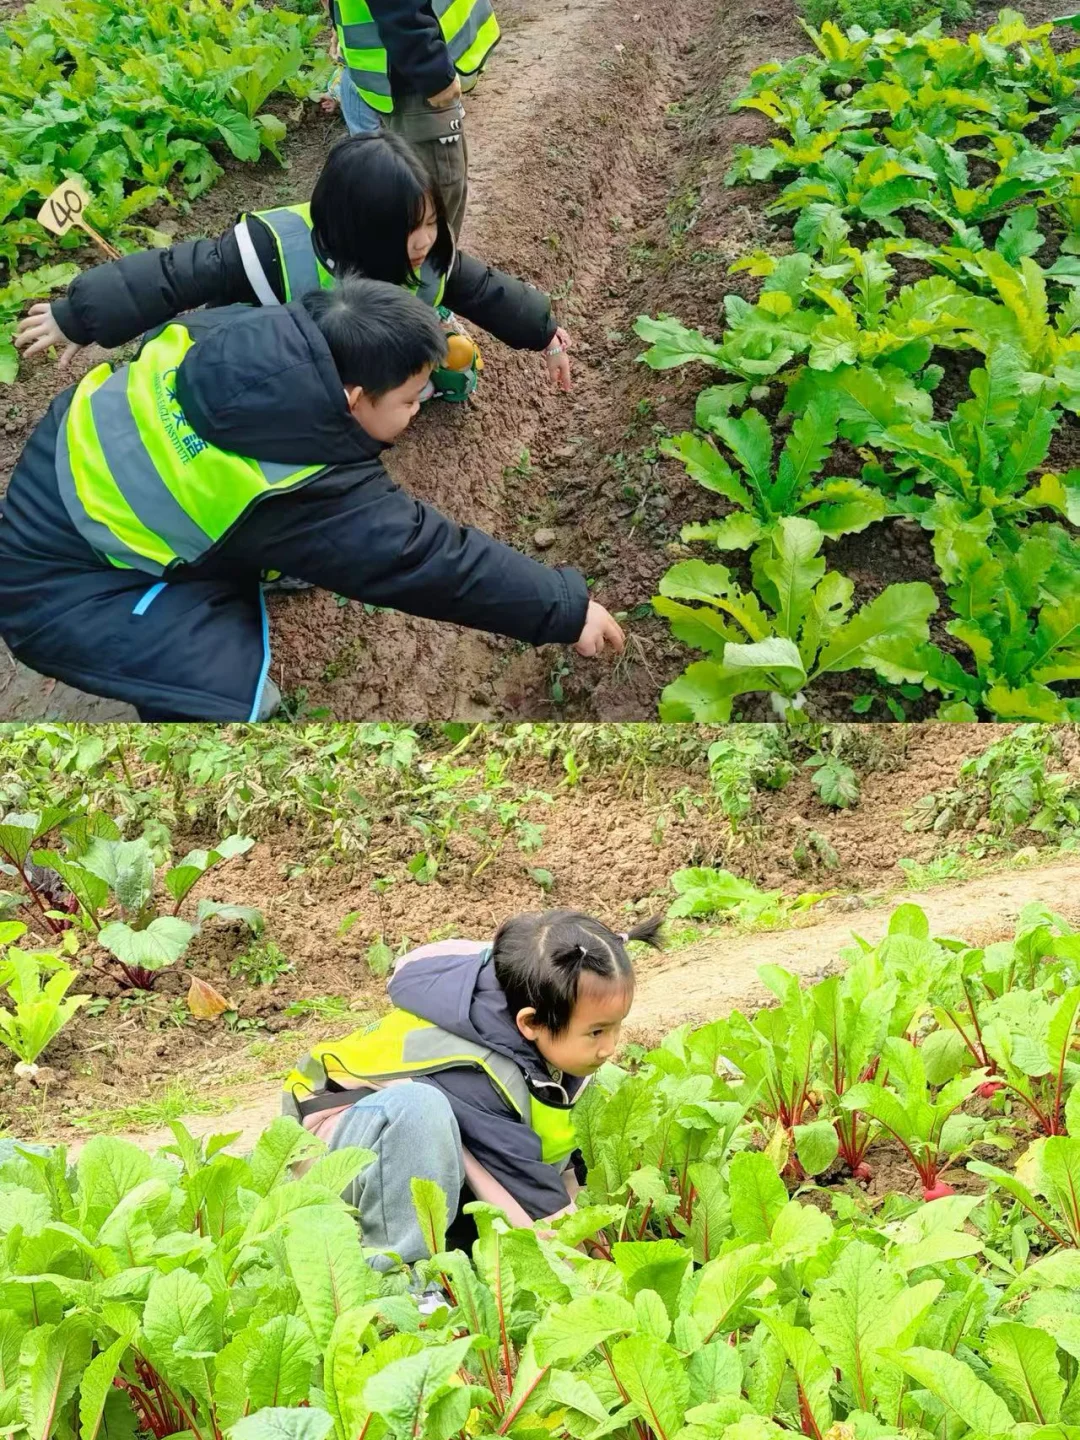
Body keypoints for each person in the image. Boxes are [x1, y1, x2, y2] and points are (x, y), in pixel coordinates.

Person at [0, 277, 623, 721]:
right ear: (353, 398)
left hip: (64, 466)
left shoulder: (246, 330)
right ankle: (205, 718)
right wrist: (564, 610)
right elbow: (427, 558)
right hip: (54, 589)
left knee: (256, 532)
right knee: (231, 689)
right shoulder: (295, 486)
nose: (414, 412)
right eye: (410, 401)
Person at [14, 132, 571, 401]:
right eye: (409, 228)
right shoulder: (274, 251)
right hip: (276, 361)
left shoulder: (426, 256)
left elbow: (481, 288)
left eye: (431, 220)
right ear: (362, 229)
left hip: (352, 354)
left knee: (451, 364)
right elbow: (174, 273)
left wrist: (542, 330)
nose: (426, 240)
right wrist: (78, 316)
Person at [282, 909, 664, 1267]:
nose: (611, 1047)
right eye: (597, 1032)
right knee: (422, 1110)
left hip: (401, 1139)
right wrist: (588, 1270)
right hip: (331, 1141)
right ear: (530, 1023)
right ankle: (403, 1273)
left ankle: (451, 1249)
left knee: (454, 1137)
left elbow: (550, 1151)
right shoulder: (478, 1073)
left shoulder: (535, 1000)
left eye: (617, 1026)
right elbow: (527, 1194)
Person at [326, 0, 499, 236]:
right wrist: (430, 68)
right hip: (412, 80)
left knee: (418, 207)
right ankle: (423, 270)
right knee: (429, 219)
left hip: (399, 72)